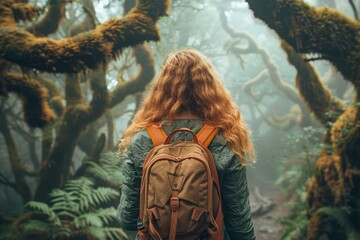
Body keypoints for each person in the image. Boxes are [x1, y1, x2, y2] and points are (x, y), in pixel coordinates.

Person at [117, 49, 256, 240]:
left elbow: (128, 218)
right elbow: (240, 224)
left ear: (162, 88)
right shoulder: (224, 138)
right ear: (209, 87)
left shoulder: (143, 139)